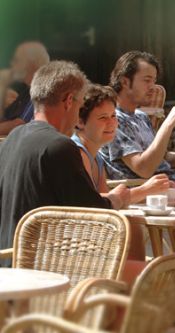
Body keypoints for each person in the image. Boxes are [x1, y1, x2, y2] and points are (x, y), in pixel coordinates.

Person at [0, 61, 132, 262]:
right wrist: (118, 198)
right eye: (80, 105)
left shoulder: (12, 139)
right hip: (44, 270)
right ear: (69, 101)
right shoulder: (59, 146)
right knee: (145, 271)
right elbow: (93, 214)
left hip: (8, 265)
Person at [100, 51, 175, 198]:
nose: (153, 87)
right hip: (161, 199)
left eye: (154, 80)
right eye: (147, 80)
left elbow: (158, 160)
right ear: (125, 82)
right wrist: (168, 125)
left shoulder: (141, 117)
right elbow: (144, 168)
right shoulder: (114, 120)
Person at [0, 41, 50, 135]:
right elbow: (5, 119)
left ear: (31, 64)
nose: (12, 64)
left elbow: (20, 124)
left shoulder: (43, 89)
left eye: (17, 60)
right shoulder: (27, 91)